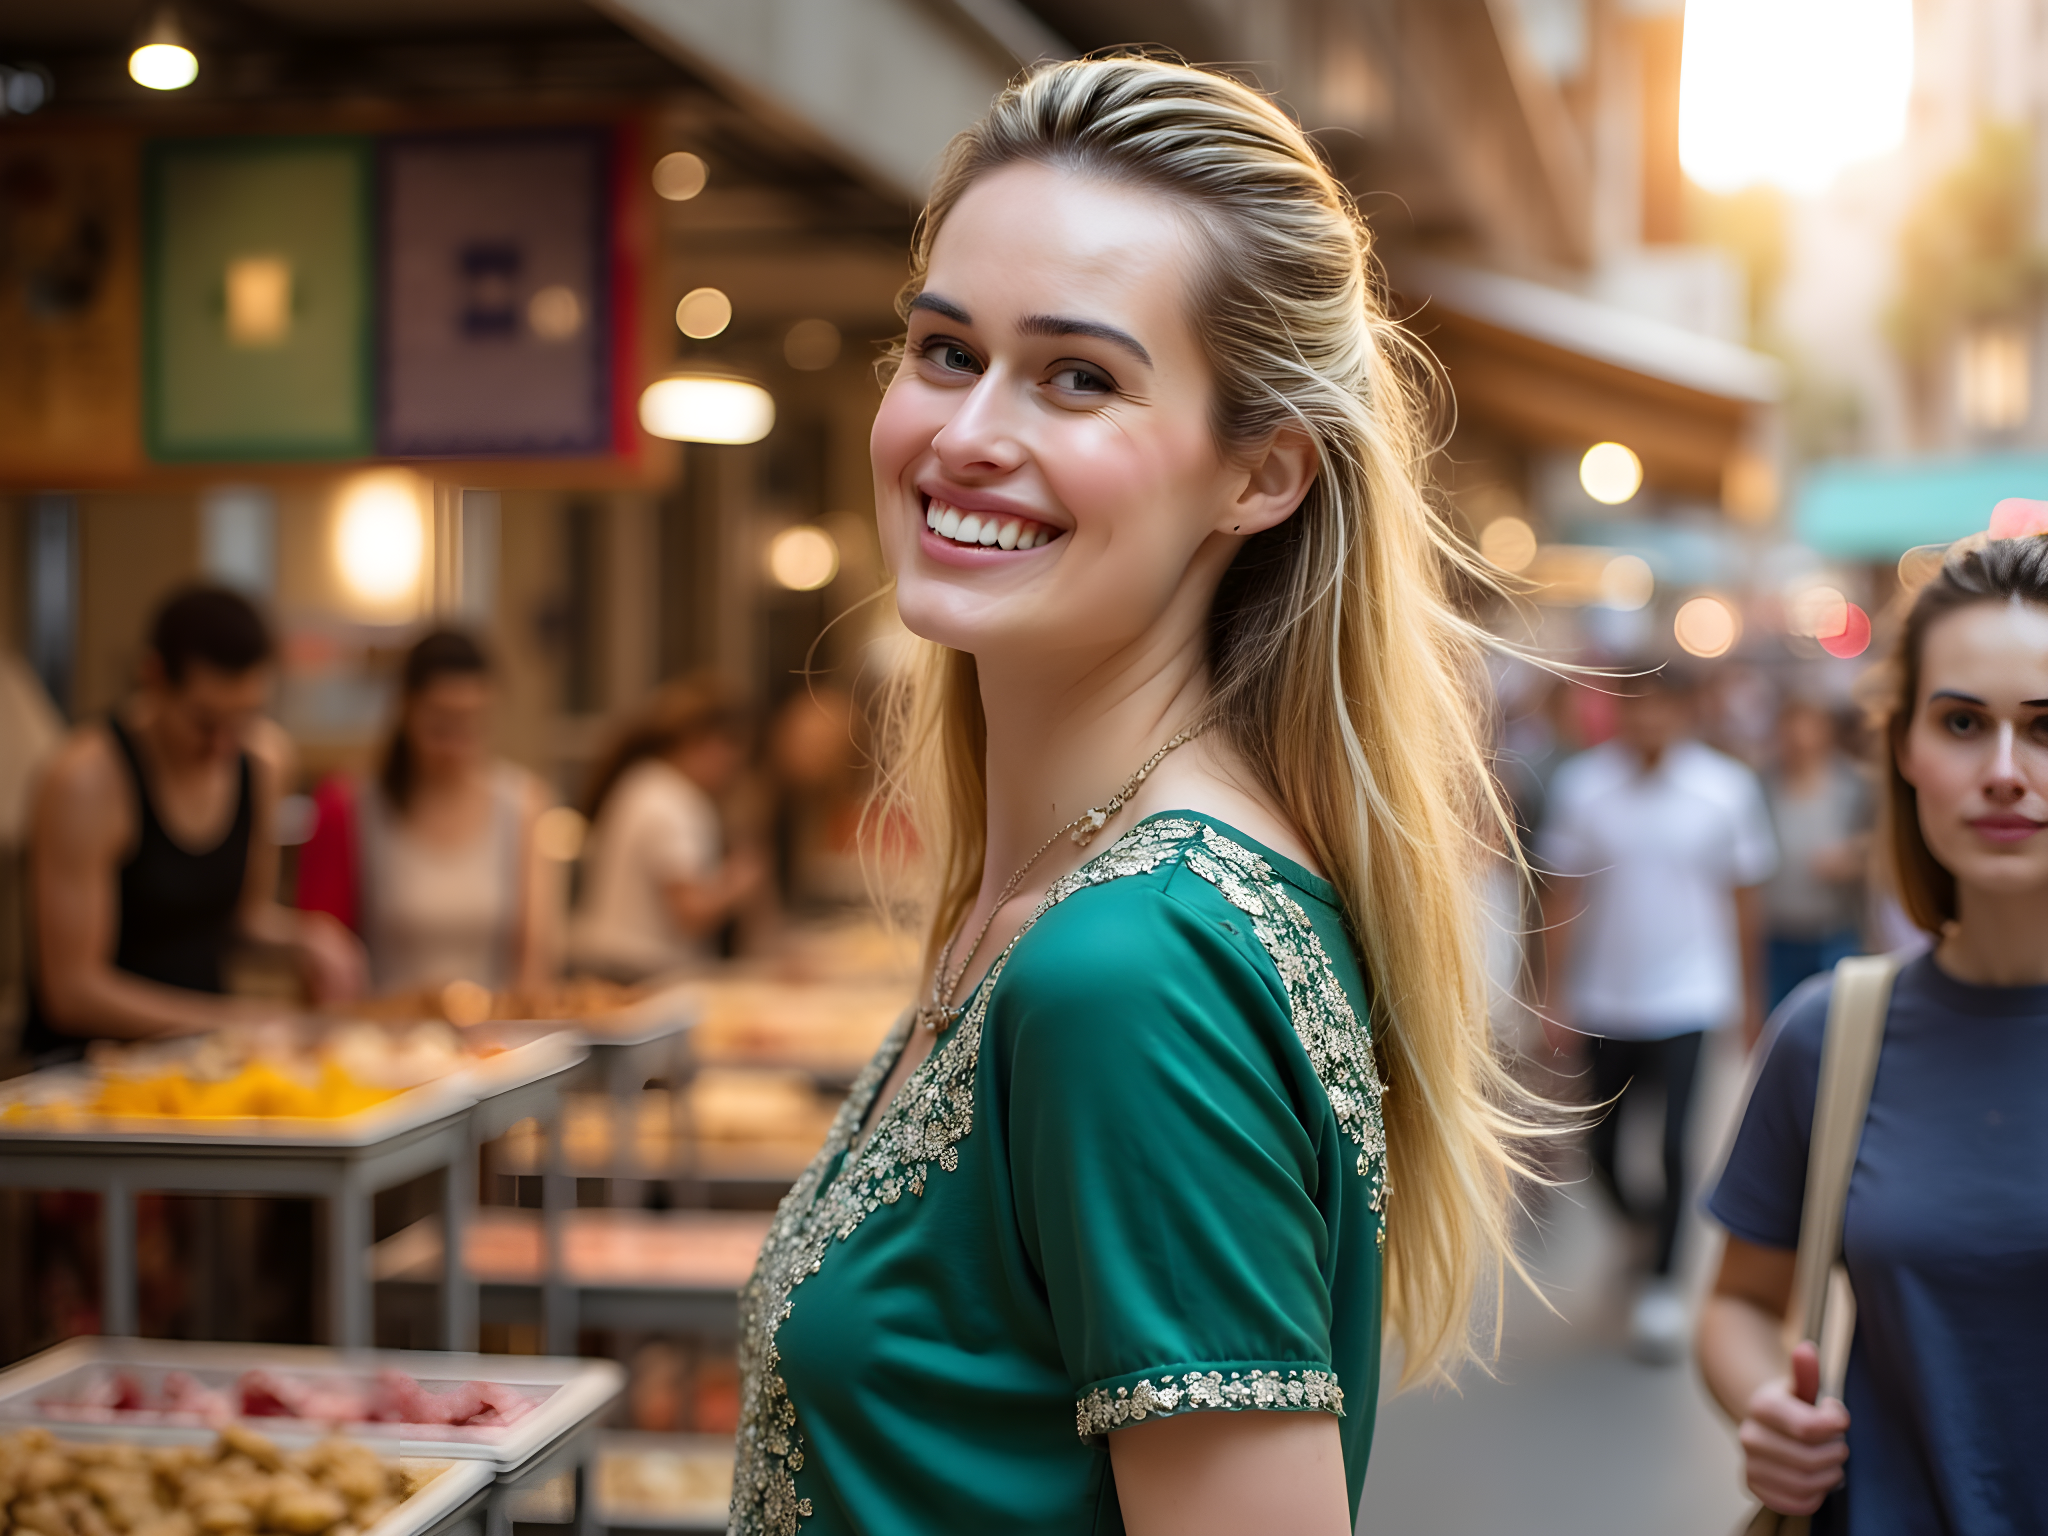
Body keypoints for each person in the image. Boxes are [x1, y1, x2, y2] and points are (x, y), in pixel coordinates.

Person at [727, 57, 1539, 1536]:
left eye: (1078, 377)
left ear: (1261, 475)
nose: (968, 433)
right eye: (943, 350)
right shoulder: (1071, 889)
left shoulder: (1133, 965)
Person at [1698, 533, 2048, 1533]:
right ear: (1902, 749)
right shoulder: (1830, 1036)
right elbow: (1736, 1303)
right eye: (1960, 721)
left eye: (2042, 726)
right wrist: (1765, 1408)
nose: (2001, 771)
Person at [1537, 668, 1776, 1362]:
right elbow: (1563, 896)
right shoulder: (1584, 788)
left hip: (1691, 996)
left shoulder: (1724, 791)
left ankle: (1667, 1285)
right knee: (1602, 1148)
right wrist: (1555, 994)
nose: (1649, 723)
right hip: (1606, 997)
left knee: (1675, 1143)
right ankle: (1644, 1225)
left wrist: (1750, 998)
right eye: (1636, 708)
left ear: (1686, 712)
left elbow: (1744, 899)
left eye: (1663, 709)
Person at [23, 585, 362, 1064]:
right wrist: (236, 1021)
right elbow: (73, 990)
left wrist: (310, 937)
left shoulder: (263, 761)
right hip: (83, 1073)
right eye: (205, 722)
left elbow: (241, 918)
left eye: (244, 717)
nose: (224, 744)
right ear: (153, 677)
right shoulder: (86, 781)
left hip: (200, 1061)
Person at [297, 630, 556, 994]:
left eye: (470, 726)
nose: (455, 746)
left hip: (494, 1040)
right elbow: (323, 964)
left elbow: (534, 961)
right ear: (406, 711)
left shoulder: (522, 803)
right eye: (440, 727)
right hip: (385, 1037)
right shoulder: (351, 804)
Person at [570, 675, 768, 980]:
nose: (733, 774)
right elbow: (690, 912)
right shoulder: (672, 803)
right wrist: (738, 881)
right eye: (733, 760)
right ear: (708, 744)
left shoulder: (643, 782)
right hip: (640, 974)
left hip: (611, 965)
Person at [1762, 697, 1870, 1010]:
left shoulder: (1856, 785)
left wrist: (1855, 856)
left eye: (1809, 725)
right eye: (1791, 725)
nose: (1800, 736)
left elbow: (1880, 843)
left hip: (1835, 926)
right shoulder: (1761, 784)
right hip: (1776, 930)